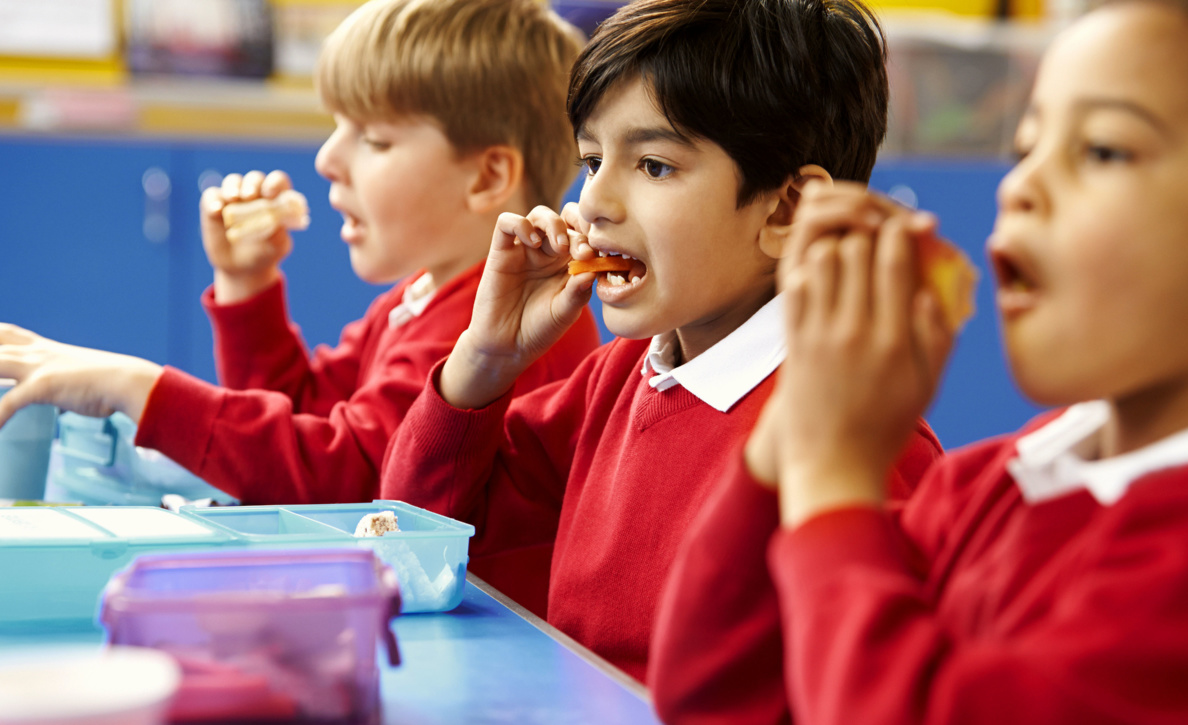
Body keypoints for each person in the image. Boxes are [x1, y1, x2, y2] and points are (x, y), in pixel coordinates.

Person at [648, 0, 1188, 721]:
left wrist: (835, 479)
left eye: (1104, 150)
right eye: (1025, 148)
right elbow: (712, 691)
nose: (1017, 186)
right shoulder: (991, 484)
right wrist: (796, 429)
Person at [380, 0, 943, 678]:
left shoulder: (859, 451)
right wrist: (484, 358)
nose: (594, 201)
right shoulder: (617, 378)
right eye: (593, 159)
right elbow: (418, 544)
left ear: (789, 210)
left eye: (653, 165)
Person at [0, 0, 598, 508]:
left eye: (373, 139)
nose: (326, 159)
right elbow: (301, 412)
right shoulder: (419, 298)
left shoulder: (493, 326)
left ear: (487, 177)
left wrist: (140, 390)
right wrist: (248, 283)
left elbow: (350, 475)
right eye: (336, 128)